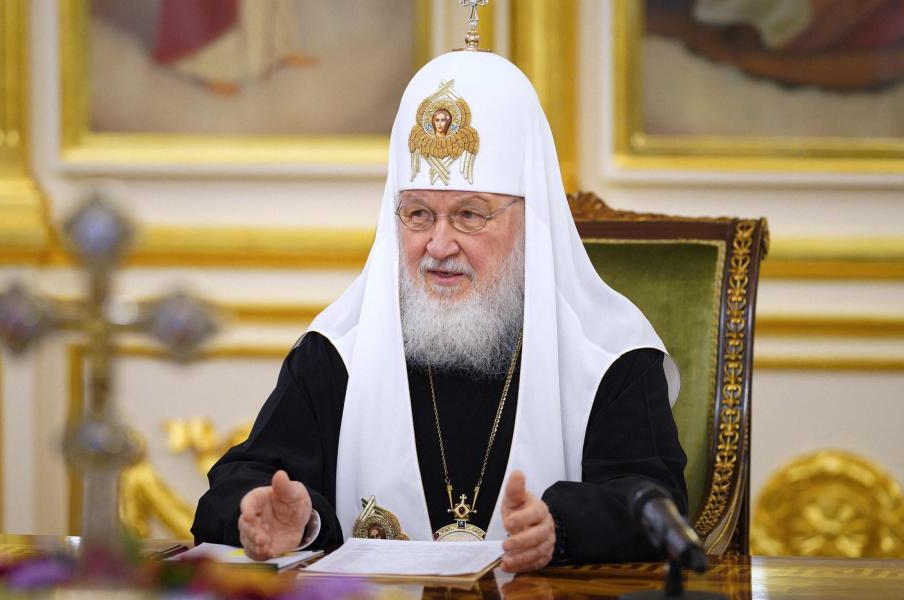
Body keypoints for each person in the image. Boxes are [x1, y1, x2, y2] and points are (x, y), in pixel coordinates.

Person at [192, 47, 688, 573]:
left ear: (529, 221)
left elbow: (655, 503)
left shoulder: (607, 353)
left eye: (470, 215)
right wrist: (283, 518)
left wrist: (564, 529)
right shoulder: (338, 351)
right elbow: (243, 484)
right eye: (418, 214)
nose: (438, 244)